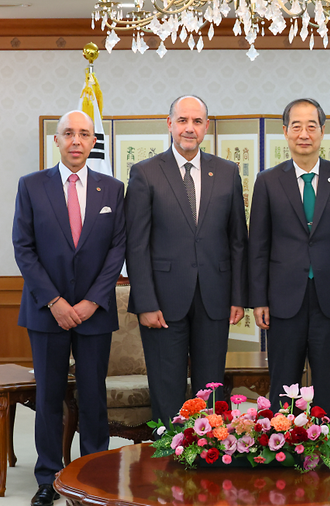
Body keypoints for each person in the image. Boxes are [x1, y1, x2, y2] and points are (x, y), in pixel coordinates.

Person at [12, 110, 126, 506]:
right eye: (68, 134)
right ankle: (48, 477)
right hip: (46, 312)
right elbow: (23, 249)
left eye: (84, 134)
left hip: (95, 312)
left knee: (94, 396)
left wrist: (92, 300)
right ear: (56, 141)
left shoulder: (112, 189)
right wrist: (56, 302)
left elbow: (117, 250)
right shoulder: (31, 186)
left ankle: (93, 472)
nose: (76, 141)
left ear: (93, 140)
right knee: (49, 397)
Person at [125, 95, 248, 427]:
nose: (189, 128)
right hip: (162, 302)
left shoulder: (227, 172)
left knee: (211, 387)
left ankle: (211, 458)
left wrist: (239, 296)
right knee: (168, 386)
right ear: (169, 124)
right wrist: (146, 302)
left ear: (206, 126)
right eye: (182, 121)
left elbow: (238, 240)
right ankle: (168, 462)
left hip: (215, 297)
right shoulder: (145, 173)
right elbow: (135, 245)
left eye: (197, 122)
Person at [248, 98, 330, 420]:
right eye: (296, 126)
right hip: (283, 298)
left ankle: (326, 446)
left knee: (327, 380)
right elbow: (258, 245)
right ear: (285, 132)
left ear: (322, 131)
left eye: (311, 126)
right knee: (283, 381)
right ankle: (280, 449)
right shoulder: (268, 181)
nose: (304, 133)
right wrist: (258, 299)